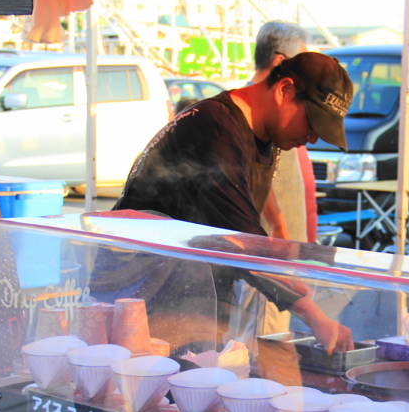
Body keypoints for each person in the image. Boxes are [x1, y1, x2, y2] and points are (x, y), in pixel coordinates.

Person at [113, 51, 354, 353]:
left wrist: (287, 270)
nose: (313, 138)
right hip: (144, 292)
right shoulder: (215, 128)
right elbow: (242, 239)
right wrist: (315, 315)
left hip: (197, 288)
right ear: (284, 91)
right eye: (312, 122)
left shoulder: (266, 137)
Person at [249, 20, 318, 243]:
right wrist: (279, 227)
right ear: (281, 62)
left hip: (285, 250)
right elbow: (256, 179)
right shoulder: (251, 110)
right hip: (267, 254)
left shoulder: (282, 107)